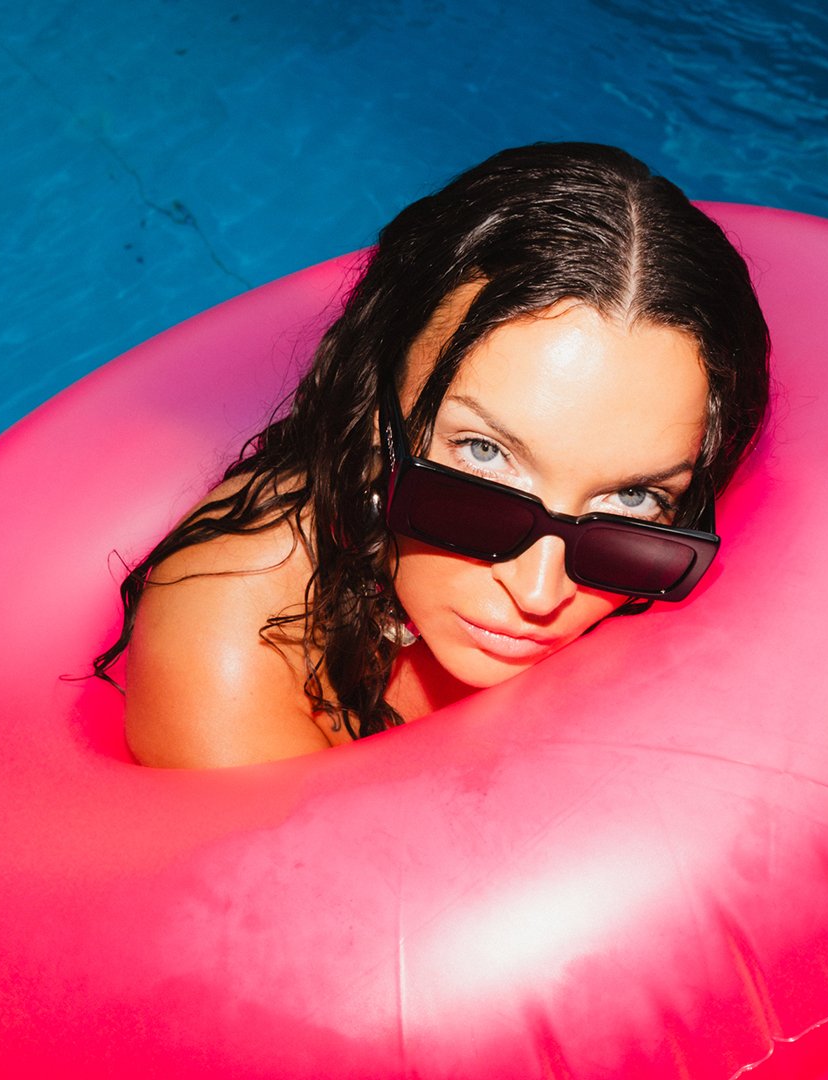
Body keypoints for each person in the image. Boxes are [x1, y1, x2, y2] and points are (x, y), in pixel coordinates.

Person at [91, 142, 771, 768]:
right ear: (373, 407)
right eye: (483, 454)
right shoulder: (229, 656)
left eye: (632, 497)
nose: (539, 594)